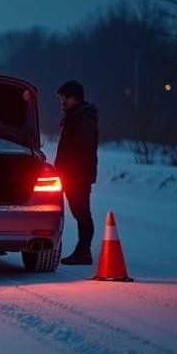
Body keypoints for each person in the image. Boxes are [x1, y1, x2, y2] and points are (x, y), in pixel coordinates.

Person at [54, 79, 99, 265]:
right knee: (79, 212)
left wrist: (66, 172)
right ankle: (82, 250)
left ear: (77, 98)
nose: (63, 101)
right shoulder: (74, 118)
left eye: (67, 97)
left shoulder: (83, 121)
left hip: (78, 177)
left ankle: (83, 251)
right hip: (73, 176)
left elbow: (81, 152)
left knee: (82, 213)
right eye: (61, 98)